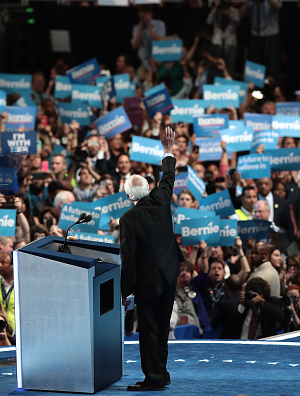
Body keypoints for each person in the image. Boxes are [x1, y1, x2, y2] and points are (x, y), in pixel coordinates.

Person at [120, 126, 182, 391]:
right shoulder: (161, 198)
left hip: (147, 283)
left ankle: (154, 378)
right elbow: (168, 176)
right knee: (163, 326)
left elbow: (129, 259)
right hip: (169, 275)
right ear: (147, 189)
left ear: (128, 196)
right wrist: (168, 150)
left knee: (149, 330)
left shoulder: (129, 219)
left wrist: (125, 291)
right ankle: (162, 373)